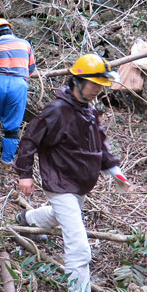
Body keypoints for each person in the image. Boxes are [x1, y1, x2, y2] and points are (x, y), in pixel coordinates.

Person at [13, 54, 130, 292]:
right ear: (77, 80)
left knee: (62, 216)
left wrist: (113, 168)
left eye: (101, 85)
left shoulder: (88, 110)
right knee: (79, 249)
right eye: (94, 83)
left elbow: (100, 143)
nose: (98, 89)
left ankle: (28, 219)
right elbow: (29, 140)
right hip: (59, 182)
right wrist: (24, 173)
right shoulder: (55, 111)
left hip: (80, 183)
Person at [0, 18, 36, 172]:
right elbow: (30, 69)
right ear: (11, 30)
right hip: (19, 84)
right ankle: (6, 163)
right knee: (12, 128)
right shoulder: (25, 44)